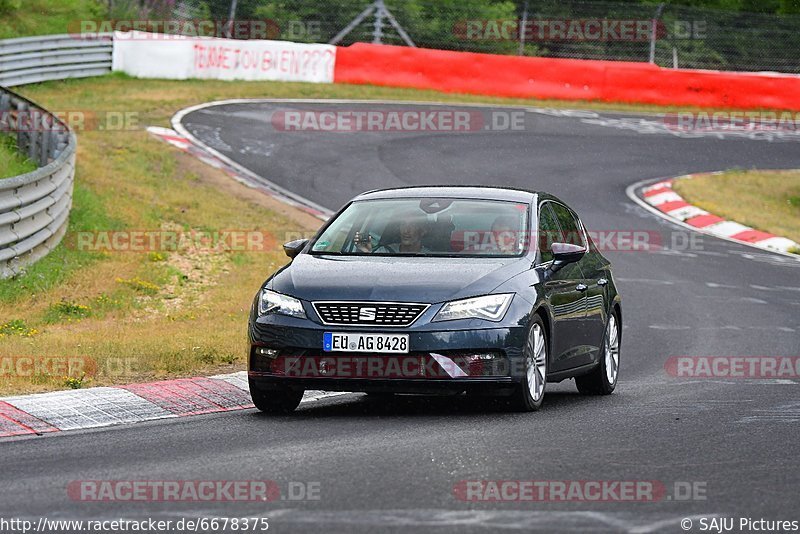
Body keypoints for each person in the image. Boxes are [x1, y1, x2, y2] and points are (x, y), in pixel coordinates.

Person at [355, 212, 430, 254]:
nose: (406, 230)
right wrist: (368, 253)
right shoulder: (384, 251)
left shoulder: (430, 258)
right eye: (403, 224)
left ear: (423, 231)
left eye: (412, 225)